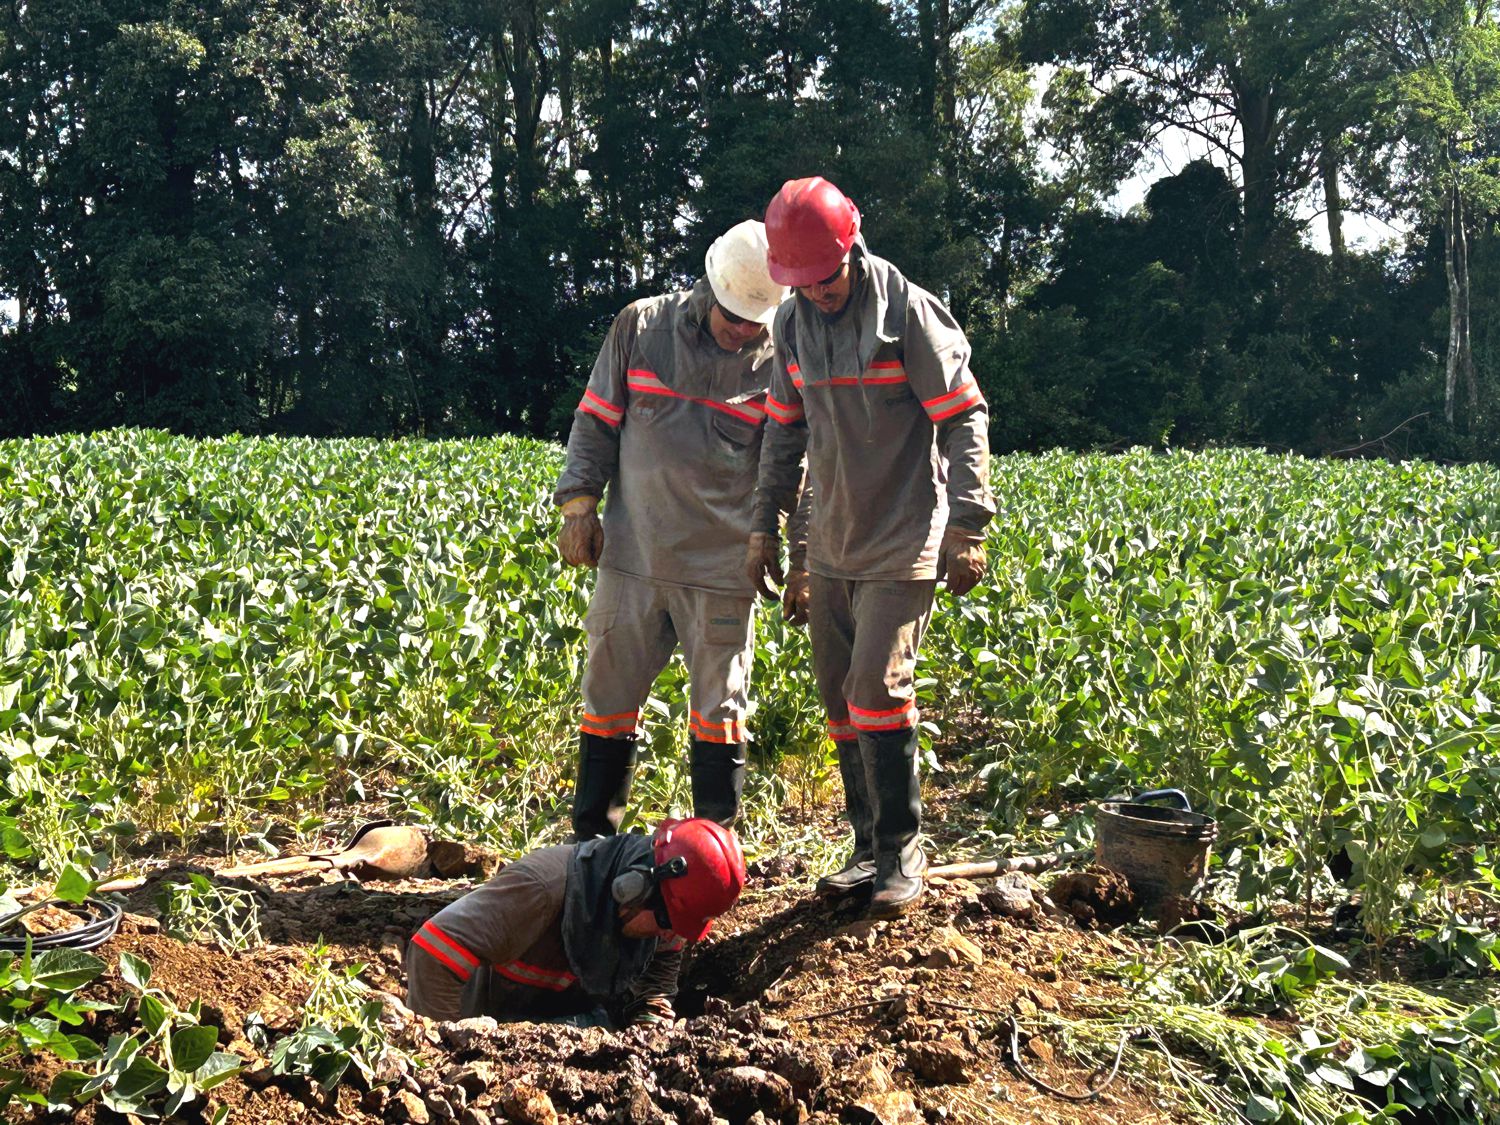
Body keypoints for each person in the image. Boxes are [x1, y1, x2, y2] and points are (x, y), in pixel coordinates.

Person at [746, 176, 995, 918]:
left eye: (825, 279)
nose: (817, 294)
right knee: (839, 697)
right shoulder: (791, 326)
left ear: (850, 249)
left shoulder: (908, 313)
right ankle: (866, 847)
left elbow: (964, 415)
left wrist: (970, 521)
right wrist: (769, 529)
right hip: (832, 543)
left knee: (877, 690)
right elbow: (787, 434)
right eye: (802, 283)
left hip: (905, 536)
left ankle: (902, 850)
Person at [554, 220, 791, 839]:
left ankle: (715, 851)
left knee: (720, 712)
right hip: (633, 556)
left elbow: (791, 461)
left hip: (721, 568)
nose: (743, 331)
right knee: (608, 700)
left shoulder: (780, 357)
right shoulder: (640, 328)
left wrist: (784, 539)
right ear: (708, 291)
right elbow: (596, 420)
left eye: (755, 323)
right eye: (735, 317)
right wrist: (578, 502)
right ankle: (593, 847)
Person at [405, 817, 745, 1026]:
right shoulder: (542, 889)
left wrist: (650, 1022)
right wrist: (447, 1049)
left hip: (563, 1029)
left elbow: (655, 986)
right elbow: (433, 950)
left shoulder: (668, 917)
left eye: (680, 928)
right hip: (488, 1027)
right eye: (666, 921)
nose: (669, 936)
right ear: (632, 887)